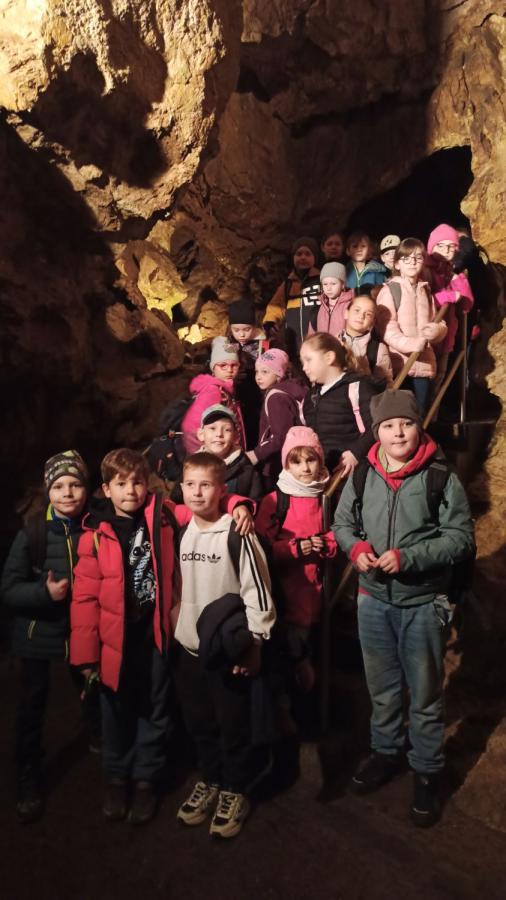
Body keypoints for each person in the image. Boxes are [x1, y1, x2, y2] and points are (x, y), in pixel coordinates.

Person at [70, 448, 254, 826]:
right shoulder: (94, 534)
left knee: (155, 709)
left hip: (153, 636)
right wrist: (86, 656)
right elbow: (84, 599)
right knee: (115, 712)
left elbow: (205, 501)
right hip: (112, 643)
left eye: (138, 482)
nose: (131, 491)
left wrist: (238, 504)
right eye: (121, 484)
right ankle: (116, 779)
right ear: (106, 488)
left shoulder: (164, 516)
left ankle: (145, 780)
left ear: (148, 484)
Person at [333, 389, 475, 827]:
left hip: (422, 603)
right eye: (389, 425)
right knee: (382, 688)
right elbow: (343, 522)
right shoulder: (363, 474)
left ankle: (428, 770)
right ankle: (386, 751)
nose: (398, 433)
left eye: (407, 424)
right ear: (377, 432)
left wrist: (410, 558)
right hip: (373, 599)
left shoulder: (440, 478)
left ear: (419, 427)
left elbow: (460, 538)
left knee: (425, 692)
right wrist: (356, 549)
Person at [173, 453, 276, 839]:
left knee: (232, 724)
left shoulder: (237, 532)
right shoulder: (180, 531)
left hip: (226, 650)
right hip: (189, 648)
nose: (197, 492)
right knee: (200, 723)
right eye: (190, 484)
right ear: (181, 488)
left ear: (222, 490)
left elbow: (257, 590)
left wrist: (256, 643)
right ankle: (211, 780)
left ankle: (234, 789)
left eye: (206, 485)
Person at [1, 450, 99, 824]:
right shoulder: (33, 535)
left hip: (80, 630)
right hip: (37, 633)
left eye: (75, 485)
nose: (68, 493)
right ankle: (28, 771)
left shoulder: (95, 527)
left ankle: (98, 735)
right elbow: (9, 589)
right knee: (32, 704)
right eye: (59, 486)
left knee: (91, 685)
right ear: (48, 491)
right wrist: (44, 593)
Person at [255, 427, 337, 701]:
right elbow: (260, 548)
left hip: (319, 596)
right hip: (286, 598)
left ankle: (311, 714)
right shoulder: (275, 500)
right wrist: (294, 548)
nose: (305, 467)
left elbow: (340, 531)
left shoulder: (327, 495)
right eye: (297, 461)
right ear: (286, 464)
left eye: (311, 459)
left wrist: (327, 544)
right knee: (291, 667)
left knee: (314, 662)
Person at [375, 238, 448, 416]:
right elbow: (386, 329)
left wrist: (436, 331)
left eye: (418, 257)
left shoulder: (426, 291)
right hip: (399, 364)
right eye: (406, 258)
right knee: (402, 415)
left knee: (421, 414)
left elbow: (437, 321)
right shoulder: (390, 290)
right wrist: (411, 344)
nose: (413, 262)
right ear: (397, 264)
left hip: (424, 364)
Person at [300, 332, 377, 475]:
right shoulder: (311, 396)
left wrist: (356, 452)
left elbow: (377, 426)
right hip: (321, 473)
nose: (304, 367)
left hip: (352, 472)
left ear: (329, 357)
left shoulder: (357, 387)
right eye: (302, 362)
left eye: (308, 360)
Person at [171, 405, 264, 503]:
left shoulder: (245, 469)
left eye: (227, 429)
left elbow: (256, 503)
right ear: (201, 434)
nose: (219, 434)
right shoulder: (191, 465)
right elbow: (176, 501)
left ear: (236, 437)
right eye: (212, 428)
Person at [246, 349, 307, 491]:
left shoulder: (276, 397)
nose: (259, 377)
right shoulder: (294, 389)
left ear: (279, 373)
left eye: (265, 372)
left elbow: (280, 436)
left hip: (276, 463)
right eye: (257, 372)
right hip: (295, 459)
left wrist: (256, 454)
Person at [425, 224, 474, 398]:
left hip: (447, 335)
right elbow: (423, 300)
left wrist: (458, 280)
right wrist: (449, 296)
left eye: (451, 246)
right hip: (429, 334)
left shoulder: (448, 271)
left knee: (439, 380)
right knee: (427, 381)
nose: (446, 250)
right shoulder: (424, 270)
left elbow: (466, 304)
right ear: (432, 246)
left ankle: (435, 413)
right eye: (441, 245)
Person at [181, 336, 246, 454]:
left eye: (234, 365)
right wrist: (208, 456)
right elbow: (190, 428)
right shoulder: (213, 391)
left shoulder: (226, 389)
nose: (229, 370)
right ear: (213, 368)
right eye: (223, 365)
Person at [262, 236, 321, 353]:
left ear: (315, 258)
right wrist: (270, 322)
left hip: (317, 341)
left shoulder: (322, 281)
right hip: (293, 341)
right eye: (299, 254)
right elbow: (276, 306)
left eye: (308, 254)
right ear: (293, 257)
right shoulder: (288, 284)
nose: (303, 257)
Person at [227, 298, 269, 447]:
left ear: (254, 326)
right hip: (235, 395)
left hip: (257, 395)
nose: (242, 335)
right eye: (236, 330)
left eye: (246, 330)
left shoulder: (263, 345)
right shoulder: (228, 344)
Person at [339, 295, 393, 386]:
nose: (361, 316)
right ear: (346, 313)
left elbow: (386, 385)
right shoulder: (333, 342)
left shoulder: (378, 349)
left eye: (368, 314)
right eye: (357, 310)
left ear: (373, 322)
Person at [310, 261, 355, 338]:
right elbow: (312, 334)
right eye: (325, 284)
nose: (329, 288)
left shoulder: (351, 306)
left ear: (343, 285)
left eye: (333, 284)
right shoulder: (318, 308)